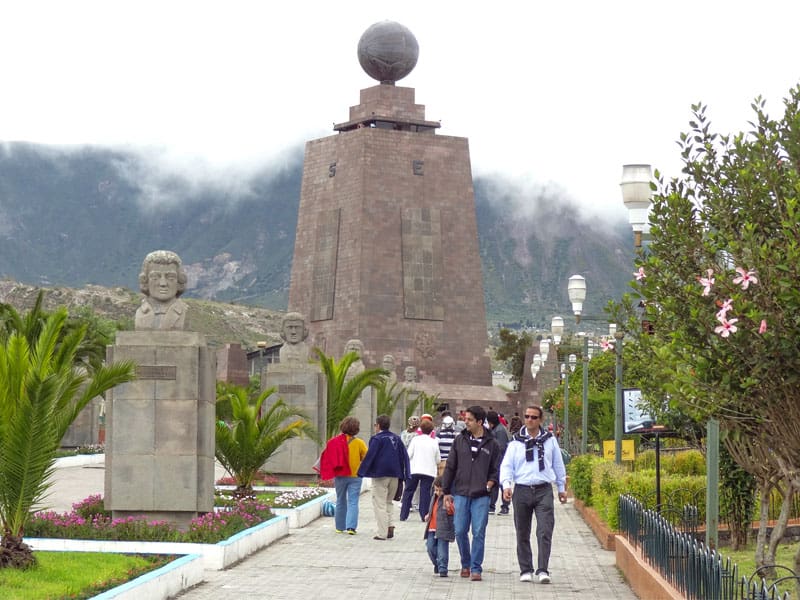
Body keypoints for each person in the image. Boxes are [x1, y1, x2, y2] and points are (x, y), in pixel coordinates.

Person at [499, 405, 568, 584]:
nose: (530, 420)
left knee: (545, 530)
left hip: (543, 489)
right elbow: (507, 466)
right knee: (522, 531)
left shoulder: (550, 440)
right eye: (527, 416)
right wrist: (506, 485)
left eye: (534, 417)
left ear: (540, 420)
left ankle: (543, 569)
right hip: (521, 489)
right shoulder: (515, 441)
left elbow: (558, 464)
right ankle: (525, 569)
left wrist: (561, 488)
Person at [441, 405, 501, 582]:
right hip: (460, 492)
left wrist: (491, 483)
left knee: (479, 531)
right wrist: (446, 491)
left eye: (469, 420)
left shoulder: (492, 443)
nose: (465, 422)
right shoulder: (460, 440)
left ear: (480, 422)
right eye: (465, 419)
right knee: (460, 531)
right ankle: (465, 563)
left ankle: (476, 568)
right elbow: (450, 466)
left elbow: (496, 468)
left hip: (481, 494)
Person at [357, 414, 411, 541]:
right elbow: (404, 456)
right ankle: (390, 525)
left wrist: (361, 471)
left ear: (378, 425)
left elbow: (371, 456)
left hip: (380, 475)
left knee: (379, 503)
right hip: (395, 475)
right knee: (388, 502)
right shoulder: (396, 438)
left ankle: (382, 533)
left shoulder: (377, 439)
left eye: (375, 425)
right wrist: (405, 473)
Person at [318, 416, 368, 534]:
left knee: (340, 500)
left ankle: (339, 527)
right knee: (353, 501)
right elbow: (366, 457)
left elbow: (328, 457)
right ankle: (351, 527)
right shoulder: (359, 443)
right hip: (355, 476)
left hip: (340, 475)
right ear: (356, 429)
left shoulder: (334, 442)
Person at [134, 250, 188, 330]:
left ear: (179, 281)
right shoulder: (140, 313)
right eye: (155, 277)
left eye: (170, 278)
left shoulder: (186, 313)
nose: (163, 283)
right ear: (146, 281)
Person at [400, 419, 440, 521]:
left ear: (420, 429)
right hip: (429, 471)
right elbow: (438, 459)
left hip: (415, 469)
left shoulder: (415, 440)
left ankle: (404, 515)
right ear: (431, 430)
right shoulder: (434, 442)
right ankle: (424, 515)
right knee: (425, 493)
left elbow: (409, 455)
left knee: (409, 491)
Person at [424, 476, 455, 577]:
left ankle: (443, 568)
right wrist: (429, 515)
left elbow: (453, 511)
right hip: (432, 527)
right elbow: (433, 508)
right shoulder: (434, 497)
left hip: (443, 528)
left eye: (440, 490)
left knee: (442, 549)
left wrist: (449, 507)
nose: (437, 492)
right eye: (436, 490)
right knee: (430, 547)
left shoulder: (449, 498)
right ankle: (437, 563)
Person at [486, 410, 511, 515]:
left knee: (502, 485)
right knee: (494, 484)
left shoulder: (499, 431)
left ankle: (505, 506)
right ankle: (491, 506)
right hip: (495, 462)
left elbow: (501, 447)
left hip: (500, 462)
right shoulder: (496, 429)